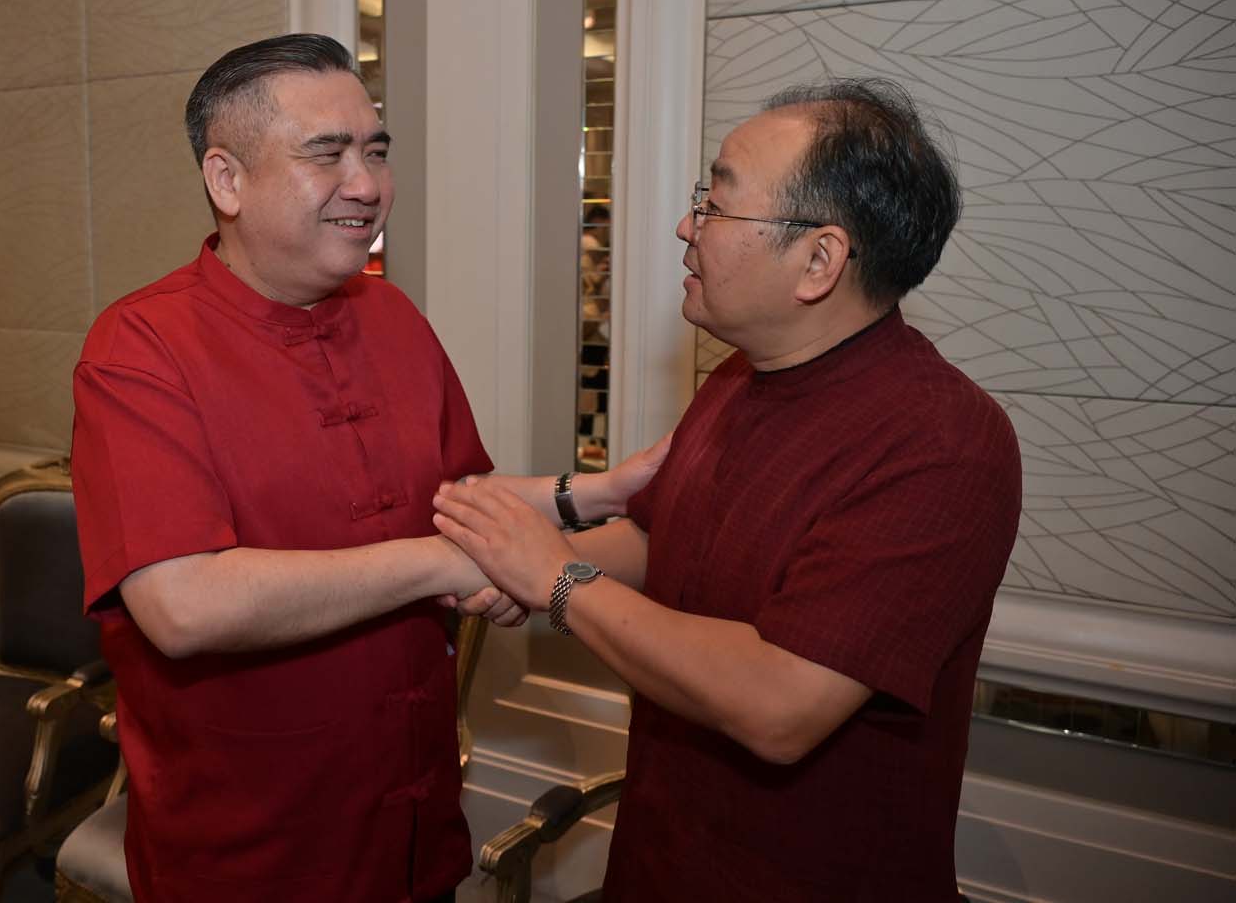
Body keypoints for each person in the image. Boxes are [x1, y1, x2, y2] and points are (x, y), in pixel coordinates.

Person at [70, 33, 655, 902]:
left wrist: (594, 492)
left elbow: (450, 498)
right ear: (226, 180)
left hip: (413, 817)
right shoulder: (140, 347)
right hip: (251, 847)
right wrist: (463, 561)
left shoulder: (390, 315)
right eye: (326, 154)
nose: (366, 184)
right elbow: (184, 604)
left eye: (375, 152)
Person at [434, 78, 1022, 901]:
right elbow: (660, 539)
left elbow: (779, 705)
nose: (687, 227)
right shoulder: (739, 377)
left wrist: (556, 578)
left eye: (715, 206)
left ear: (818, 260)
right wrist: (517, 567)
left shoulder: (940, 442)